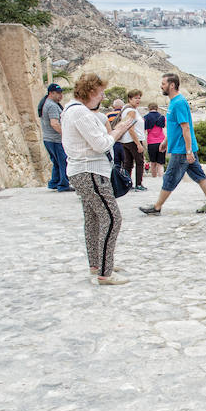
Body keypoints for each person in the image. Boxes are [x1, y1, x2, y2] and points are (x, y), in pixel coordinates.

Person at [60, 73, 137, 285]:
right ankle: (105, 271)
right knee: (112, 218)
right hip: (90, 171)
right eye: (101, 93)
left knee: (93, 218)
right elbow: (101, 144)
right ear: (92, 92)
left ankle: (98, 264)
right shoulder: (81, 114)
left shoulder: (70, 110)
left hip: (80, 170)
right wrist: (120, 129)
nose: (102, 97)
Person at [139, 73, 206, 215]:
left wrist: (188, 151)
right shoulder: (174, 102)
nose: (161, 86)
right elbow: (174, 126)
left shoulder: (179, 103)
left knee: (170, 177)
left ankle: (156, 207)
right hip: (182, 147)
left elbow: (185, 127)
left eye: (163, 83)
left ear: (172, 85)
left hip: (182, 150)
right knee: (199, 175)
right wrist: (166, 141)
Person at [39, 83, 73, 192]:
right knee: (63, 161)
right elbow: (54, 123)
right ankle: (63, 184)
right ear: (51, 93)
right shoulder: (52, 106)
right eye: (57, 93)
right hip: (55, 139)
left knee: (57, 161)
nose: (60, 96)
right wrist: (65, 135)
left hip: (48, 138)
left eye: (61, 93)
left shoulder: (46, 103)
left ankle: (54, 182)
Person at [119, 89, 147, 191]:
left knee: (128, 163)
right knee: (139, 162)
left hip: (126, 141)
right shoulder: (131, 111)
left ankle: (127, 183)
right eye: (135, 98)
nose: (138, 100)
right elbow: (130, 128)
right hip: (133, 140)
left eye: (139, 98)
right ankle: (138, 184)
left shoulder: (126, 109)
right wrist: (138, 144)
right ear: (130, 99)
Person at [143, 103, 166, 177]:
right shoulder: (162, 117)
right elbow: (165, 127)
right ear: (157, 108)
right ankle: (160, 178)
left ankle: (154, 177)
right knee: (160, 163)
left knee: (153, 163)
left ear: (149, 108)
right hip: (161, 141)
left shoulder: (145, 118)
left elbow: (144, 131)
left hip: (151, 142)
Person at [106, 99, 125, 169]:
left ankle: (117, 177)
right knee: (126, 163)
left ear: (113, 106)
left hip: (113, 141)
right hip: (124, 141)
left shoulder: (108, 115)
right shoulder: (125, 114)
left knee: (116, 163)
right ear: (122, 106)